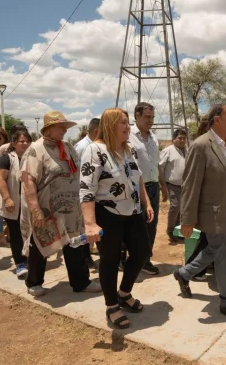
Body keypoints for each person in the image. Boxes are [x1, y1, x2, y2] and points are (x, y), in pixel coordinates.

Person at [173, 104, 226, 322]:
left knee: (215, 249)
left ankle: (184, 273)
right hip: (212, 213)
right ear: (217, 120)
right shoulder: (201, 145)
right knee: (223, 255)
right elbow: (190, 184)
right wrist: (186, 219)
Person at [80, 108, 153, 329]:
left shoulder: (127, 149)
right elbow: (86, 189)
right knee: (110, 261)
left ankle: (124, 292)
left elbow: (138, 178)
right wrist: (90, 223)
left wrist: (146, 202)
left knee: (142, 251)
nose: (128, 127)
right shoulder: (95, 150)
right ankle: (112, 305)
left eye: (128, 122)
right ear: (110, 124)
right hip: (107, 214)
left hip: (132, 211)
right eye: (123, 122)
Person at [20, 111, 101, 297]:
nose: (64, 130)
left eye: (65, 127)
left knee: (75, 243)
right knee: (40, 243)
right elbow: (28, 181)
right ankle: (34, 281)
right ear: (48, 129)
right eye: (60, 127)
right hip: (46, 208)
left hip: (72, 208)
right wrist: (35, 210)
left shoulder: (67, 147)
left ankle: (81, 281)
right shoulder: (35, 149)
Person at [129, 102, 168, 275]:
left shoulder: (153, 138)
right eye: (147, 117)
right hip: (135, 189)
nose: (150, 121)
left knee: (151, 225)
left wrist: (163, 186)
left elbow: (157, 164)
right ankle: (131, 259)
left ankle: (145, 260)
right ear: (137, 115)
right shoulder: (128, 136)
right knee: (136, 226)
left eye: (152, 117)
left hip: (153, 188)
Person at [0, 130, 33, 279]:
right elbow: (0, 179)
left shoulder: (33, 158)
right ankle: (20, 263)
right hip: (13, 203)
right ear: (13, 143)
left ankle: (31, 259)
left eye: (27, 141)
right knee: (16, 234)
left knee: (31, 233)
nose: (24, 143)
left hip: (30, 203)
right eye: (21, 141)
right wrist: (7, 199)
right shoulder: (6, 158)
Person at [74, 118, 100, 269]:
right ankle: (85, 257)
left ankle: (87, 254)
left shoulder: (93, 145)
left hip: (92, 193)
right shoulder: (83, 147)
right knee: (84, 227)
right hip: (83, 193)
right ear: (96, 131)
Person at [159, 129, 187, 242]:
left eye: (184, 138)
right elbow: (160, 167)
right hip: (172, 185)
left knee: (182, 209)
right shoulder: (167, 151)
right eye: (180, 138)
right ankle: (170, 230)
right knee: (175, 206)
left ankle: (178, 230)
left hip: (185, 186)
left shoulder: (187, 150)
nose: (182, 140)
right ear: (173, 139)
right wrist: (163, 186)